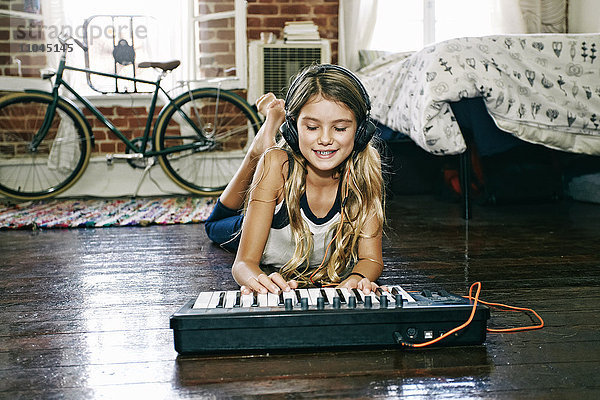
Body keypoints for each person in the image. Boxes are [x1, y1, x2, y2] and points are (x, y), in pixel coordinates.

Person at [204, 64, 385, 295]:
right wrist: (260, 280)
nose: (325, 139)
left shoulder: (367, 168)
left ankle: (265, 141)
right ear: (292, 128)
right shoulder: (276, 166)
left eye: (340, 128)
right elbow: (243, 264)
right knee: (213, 227)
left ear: (361, 132)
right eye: (311, 127)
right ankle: (260, 145)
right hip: (267, 218)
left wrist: (357, 278)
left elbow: (371, 259)